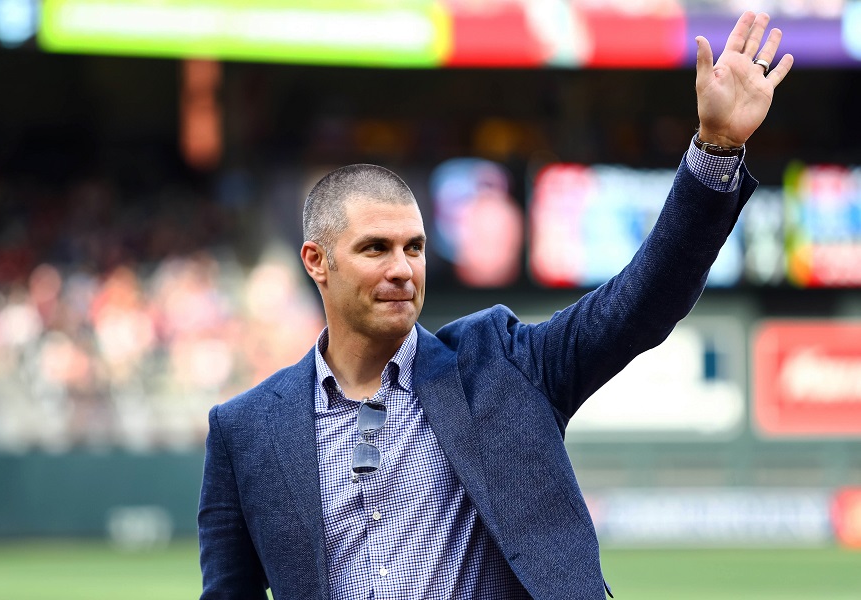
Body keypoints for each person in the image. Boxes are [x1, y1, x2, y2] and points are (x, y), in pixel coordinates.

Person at [198, 11, 793, 600]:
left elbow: (640, 302)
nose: (402, 269)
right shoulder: (245, 429)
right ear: (316, 261)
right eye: (375, 249)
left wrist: (717, 148)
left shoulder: (506, 365)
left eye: (415, 248)